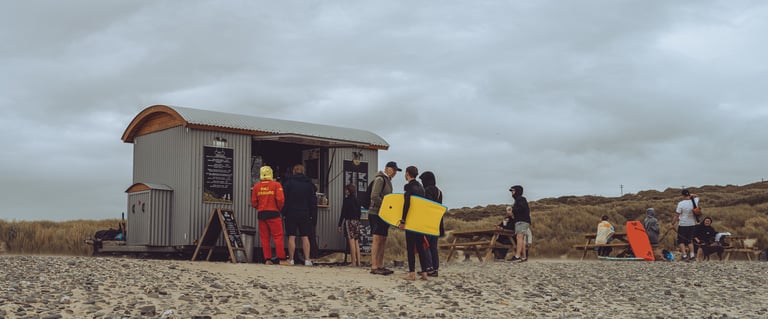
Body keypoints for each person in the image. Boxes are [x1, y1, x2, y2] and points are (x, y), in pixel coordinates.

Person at [398, 166, 433, 281]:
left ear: (407, 174)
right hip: (420, 222)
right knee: (420, 247)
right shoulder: (421, 188)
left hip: (411, 221)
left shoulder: (409, 187)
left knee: (410, 247)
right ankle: (424, 273)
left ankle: (412, 273)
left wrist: (403, 220)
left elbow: (407, 204)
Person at [251, 166, 290, 265]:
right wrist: (278, 208)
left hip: (261, 214)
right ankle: (281, 259)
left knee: (265, 237)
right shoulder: (276, 185)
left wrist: (260, 207)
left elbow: (254, 203)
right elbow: (280, 200)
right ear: (271, 174)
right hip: (273, 213)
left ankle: (267, 259)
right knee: (278, 236)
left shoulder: (256, 186)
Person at [368, 161, 400, 276]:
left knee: (383, 239)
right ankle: (374, 265)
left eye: (396, 170)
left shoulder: (387, 181)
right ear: (387, 168)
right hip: (376, 213)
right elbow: (374, 196)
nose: (395, 172)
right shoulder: (380, 179)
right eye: (393, 169)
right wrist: (385, 206)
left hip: (383, 214)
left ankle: (380, 264)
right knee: (377, 239)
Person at [282, 164, 315, 266]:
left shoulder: (288, 183)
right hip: (305, 212)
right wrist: (312, 214)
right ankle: (307, 260)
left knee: (292, 236)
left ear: (294, 171)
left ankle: (291, 259)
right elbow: (312, 200)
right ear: (303, 171)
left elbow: (284, 199)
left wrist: (284, 211)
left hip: (291, 212)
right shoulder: (309, 184)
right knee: (305, 236)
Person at [419, 171, 443, 276]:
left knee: (425, 245)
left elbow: (427, 206)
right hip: (437, 222)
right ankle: (435, 268)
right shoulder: (439, 191)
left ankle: (428, 267)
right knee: (433, 246)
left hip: (428, 222)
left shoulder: (427, 190)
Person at [337, 184, 362, 267]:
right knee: (356, 242)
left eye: (346, 190)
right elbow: (359, 213)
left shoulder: (346, 200)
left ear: (348, 190)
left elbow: (343, 213)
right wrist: (357, 220)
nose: (345, 191)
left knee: (351, 242)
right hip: (357, 222)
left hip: (349, 222)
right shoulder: (357, 200)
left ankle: (353, 262)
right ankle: (359, 262)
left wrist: (339, 224)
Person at [673, 189, 699, 261]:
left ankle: (684, 255)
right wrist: (692, 195)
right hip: (692, 223)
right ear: (689, 194)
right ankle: (692, 255)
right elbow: (697, 196)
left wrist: (673, 223)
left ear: (682, 195)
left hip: (683, 224)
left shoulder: (681, 203)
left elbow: (677, 214)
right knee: (689, 240)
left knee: (681, 241)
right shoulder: (695, 201)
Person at [509, 185, 531, 262]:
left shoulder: (521, 199)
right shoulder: (518, 200)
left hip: (522, 221)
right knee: (521, 239)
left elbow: (521, 209)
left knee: (519, 237)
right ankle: (524, 257)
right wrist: (512, 214)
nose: (512, 192)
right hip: (521, 221)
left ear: (517, 191)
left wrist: (513, 210)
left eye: (513, 191)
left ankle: (517, 256)